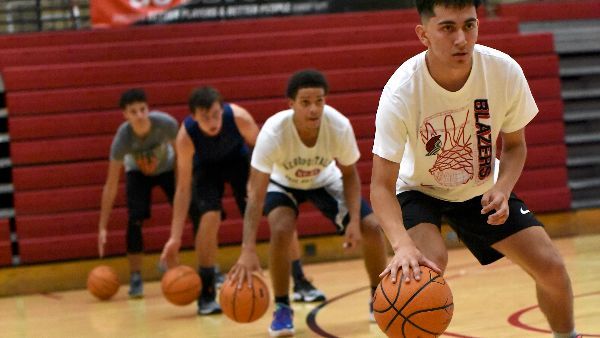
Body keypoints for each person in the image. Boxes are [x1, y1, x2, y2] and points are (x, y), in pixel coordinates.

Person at [369, 1, 578, 338]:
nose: (462, 39)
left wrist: (504, 187)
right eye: (448, 28)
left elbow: (514, 146)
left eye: (469, 25)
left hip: (480, 190)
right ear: (424, 34)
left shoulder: (503, 71)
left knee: (552, 268)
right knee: (422, 273)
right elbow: (380, 186)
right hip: (419, 190)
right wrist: (402, 245)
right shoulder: (401, 91)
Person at [228, 69, 388, 337]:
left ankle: (379, 297)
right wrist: (247, 248)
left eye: (319, 101)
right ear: (291, 105)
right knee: (280, 229)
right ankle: (282, 307)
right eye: (305, 102)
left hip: (324, 179)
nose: (314, 109)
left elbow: (350, 174)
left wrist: (353, 219)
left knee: (371, 226)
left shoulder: (338, 126)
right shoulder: (273, 133)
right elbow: (255, 194)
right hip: (283, 182)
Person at [160, 86, 325, 315]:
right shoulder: (186, 137)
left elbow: (267, 154)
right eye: (205, 117)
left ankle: (300, 280)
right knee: (209, 217)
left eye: (216, 114)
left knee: (279, 212)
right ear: (193, 116)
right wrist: (175, 237)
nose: (213, 121)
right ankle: (207, 292)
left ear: (222, 109)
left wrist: (263, 185)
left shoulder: (239, 118)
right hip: (206, 170)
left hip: (241, 163)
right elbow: (183, 189)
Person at [97, 88, 178, 298]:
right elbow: (111, 184)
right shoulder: (122, 138)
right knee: (134, 219)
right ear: (125, 115)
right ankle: (135, 276)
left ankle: (209, 268)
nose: (140, 115)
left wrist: (183, 189)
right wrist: (102, 227)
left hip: (168, 168)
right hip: (137, 173)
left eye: (143, 109)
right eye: (133, 112)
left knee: (193, 209)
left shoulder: (165, 124)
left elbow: (182, 156)